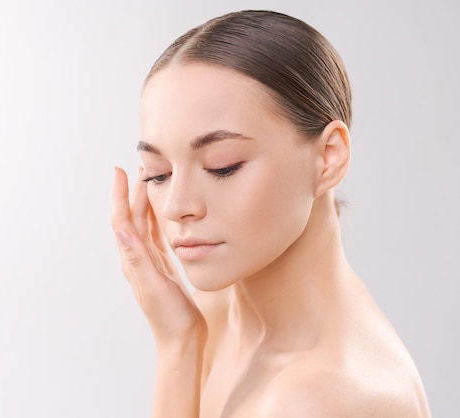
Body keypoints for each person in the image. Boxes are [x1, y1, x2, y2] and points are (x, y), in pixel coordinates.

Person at [111, 10, 431, 417]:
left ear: (328, 157)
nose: (176, 207)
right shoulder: (219, 311)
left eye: (221, 166)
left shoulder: (318, 399)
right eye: (159, 174)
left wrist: (178, 349)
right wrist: (182, 340)